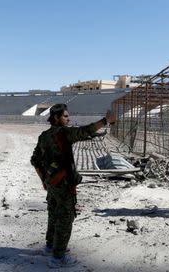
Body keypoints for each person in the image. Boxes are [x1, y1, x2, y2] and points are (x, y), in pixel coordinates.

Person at [31, 103, 116, 268]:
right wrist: (106, 120)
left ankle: (50, 247)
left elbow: (35, 160)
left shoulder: (44, 136)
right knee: (65, 218)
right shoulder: (63, 133)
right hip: (63, 184)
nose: (68, 119)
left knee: (54, 214)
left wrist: (44, 181)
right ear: (56, 117)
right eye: (65, 116)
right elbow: (84, 131)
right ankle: (58, 257)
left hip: (52, 184)